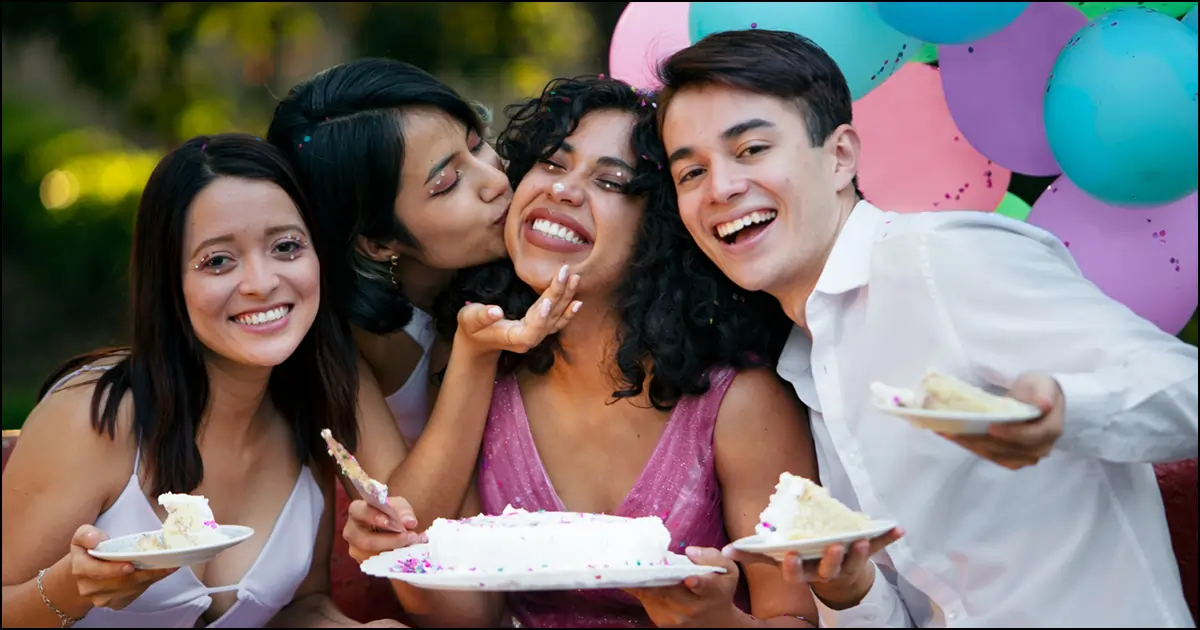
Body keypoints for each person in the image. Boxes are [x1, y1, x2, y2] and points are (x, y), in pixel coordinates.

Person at [654, 28, 1199, 628]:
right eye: (691, 173)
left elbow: (1186, 390)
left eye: (752, 149)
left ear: (839, 157)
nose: (722, 188)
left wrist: (1067, 414)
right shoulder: (805, 359)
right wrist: (851, 588)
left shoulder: (941, 260)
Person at [345, 75, 816, 629]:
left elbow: (799, 618)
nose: (563, 190)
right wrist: (401, 556)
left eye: (612, 182)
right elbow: (469, 615)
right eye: (551, 163)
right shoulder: (486, 375)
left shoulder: (740, 403)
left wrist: (719, 621)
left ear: (661, 228)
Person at [0, 134, 402, 628]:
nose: (260, 281)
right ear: (169, 282)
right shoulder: (93, 417)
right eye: (217, 260)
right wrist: (73, 586)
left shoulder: (311, 411)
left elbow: (299, 608)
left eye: (286, 246)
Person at [266, 59, 578, 539]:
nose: (495, 180)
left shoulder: (540, 244)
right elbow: (405, 518)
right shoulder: (338, 340)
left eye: (477, 146)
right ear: (377, 241)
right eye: (447, 183)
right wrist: (473, 355)